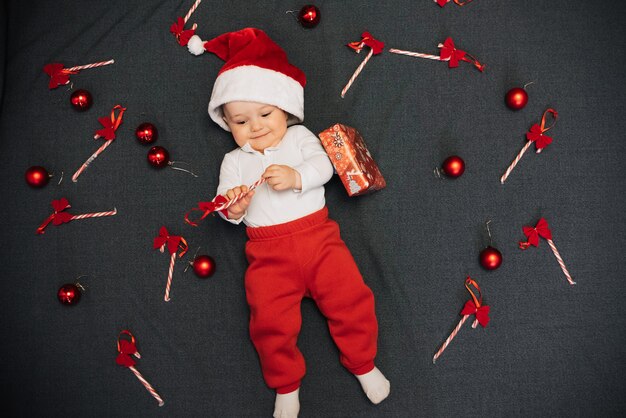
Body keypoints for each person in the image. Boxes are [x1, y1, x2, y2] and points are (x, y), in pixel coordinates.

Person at [188, 28, 390, 418]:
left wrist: (297, 177)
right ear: (227, 125)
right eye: (241, 121)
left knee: (351, 298)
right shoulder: (234, 161)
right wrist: (234, 206)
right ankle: (286, 385)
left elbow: (323, 167)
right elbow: (228, 207)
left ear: (284, 109)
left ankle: (364, 364)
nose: (257, 126)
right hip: (267, 253)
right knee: (269, 321)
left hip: (319, 240)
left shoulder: (299, 137)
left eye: (265, 114)